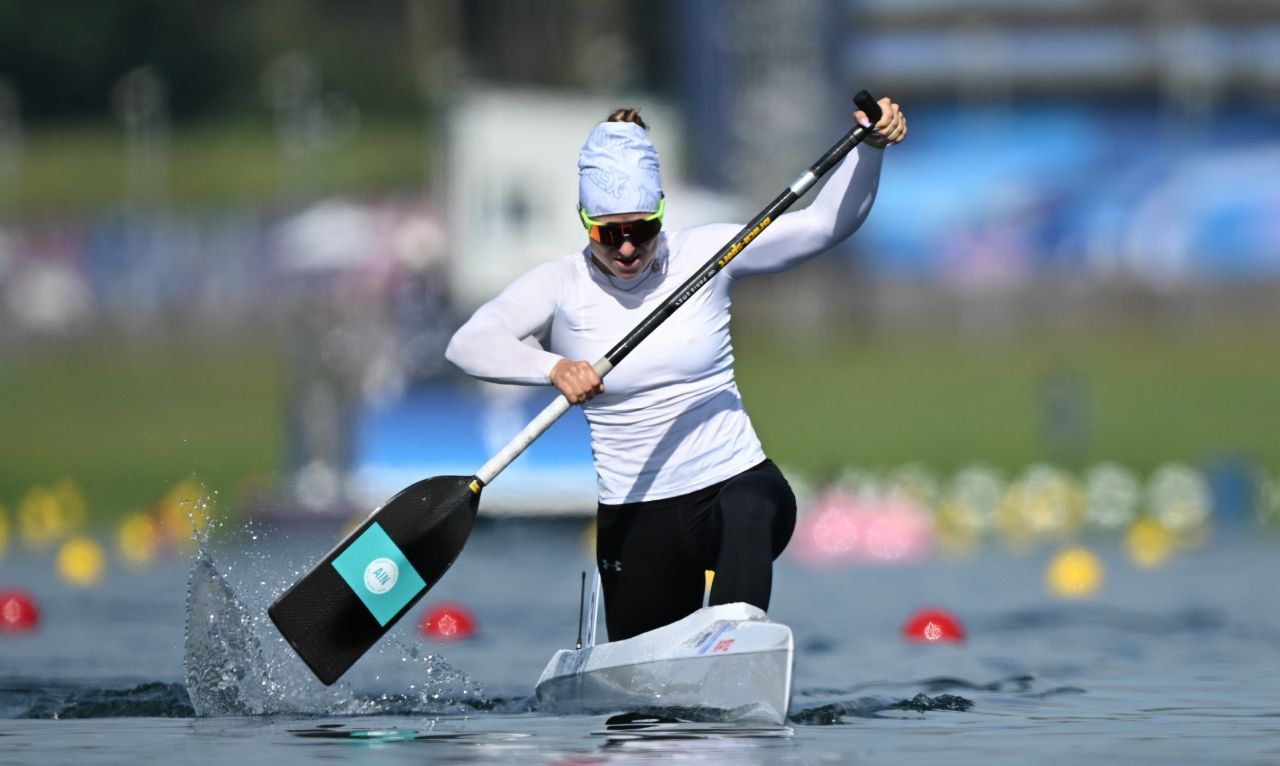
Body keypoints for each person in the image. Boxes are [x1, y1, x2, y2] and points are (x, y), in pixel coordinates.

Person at [446, 98, 908, 641]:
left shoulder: (707, 254)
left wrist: (870, 150)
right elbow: (467, 343)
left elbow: (824, 224)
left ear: (662, 211)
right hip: (637, 516)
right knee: (645, 689)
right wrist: (554, 368)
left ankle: (734, 639)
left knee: (750, 504)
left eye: (642, 230)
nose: (626, 248)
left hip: (734, 484)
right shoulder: (559, 285)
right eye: (608, 233)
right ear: (584, 221)